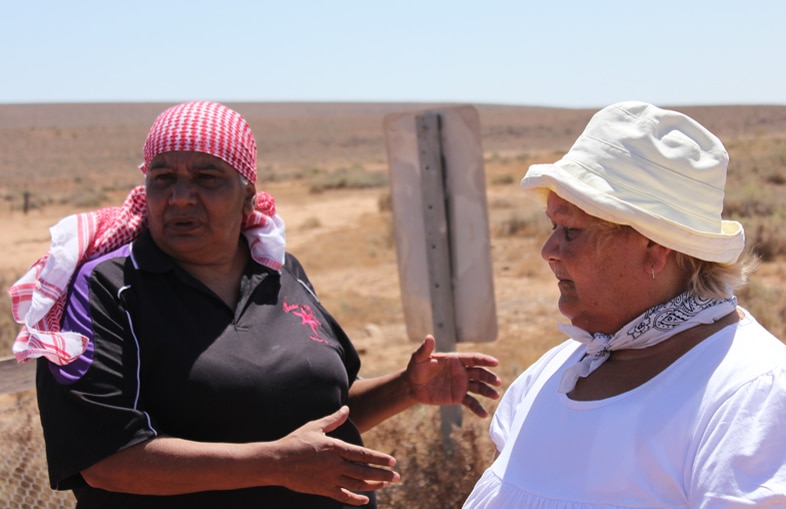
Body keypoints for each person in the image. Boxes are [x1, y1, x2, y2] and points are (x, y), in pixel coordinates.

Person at [8, 100, 501, 508]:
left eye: (207, 177)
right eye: (163, 178)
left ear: (248, 197)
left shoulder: (281, 273)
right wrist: (277, 464)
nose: (181, 196)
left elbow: (326, 412)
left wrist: (405, 389)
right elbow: (105, 461)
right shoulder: (103, 291)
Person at [463, 101, 786, 508]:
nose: (549, 250)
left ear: (653, 249)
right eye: (552, 226)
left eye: (573, 231)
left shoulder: (752, 399)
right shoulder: (552, 374)